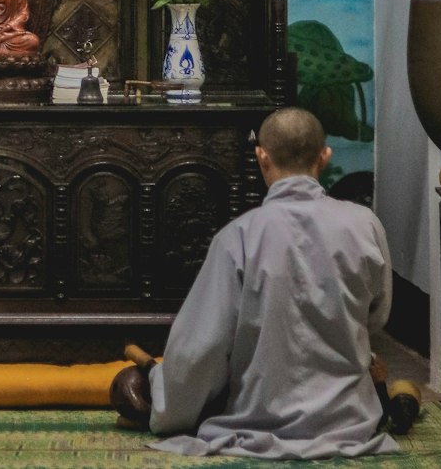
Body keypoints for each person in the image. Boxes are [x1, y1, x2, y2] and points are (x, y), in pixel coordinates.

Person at [120, 107, 398, 459]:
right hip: (349, 420)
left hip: (259, 418)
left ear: (261, 156)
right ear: (324, 156)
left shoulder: (237, 238)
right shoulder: (365, 225)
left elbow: (201, 350)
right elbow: (376, 316)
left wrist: (166, 407)